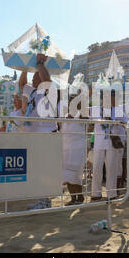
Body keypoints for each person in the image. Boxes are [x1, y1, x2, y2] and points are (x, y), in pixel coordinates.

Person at [19, 54, 57, 210]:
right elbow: (22, 84)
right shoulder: (33, 91)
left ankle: (44, 201)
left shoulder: (47, 90)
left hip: (46, 133)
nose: (34, 79)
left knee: (43, 168)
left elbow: (46, 79)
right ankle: (42, 199)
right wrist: (24, 69)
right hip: (36, 133)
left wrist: (40, 63)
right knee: (36, 167)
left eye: (36, 76)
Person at [90, 91, 125, 201]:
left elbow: (126, 122)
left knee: (111, 168)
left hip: (112, 143)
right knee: (96, 168)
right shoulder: (95, 109)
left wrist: (118, 122)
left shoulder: (118, 110)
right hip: (99, 142)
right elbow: (90, 121)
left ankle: (111, 193)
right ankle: (96, 193)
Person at [60, 93, 87, 205]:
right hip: (66, 149)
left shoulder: (82, 115)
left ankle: (79, 197)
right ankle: (73, 198)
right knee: (67, 175)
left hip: (78, 149)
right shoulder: (65, 116)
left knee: (76, 175)